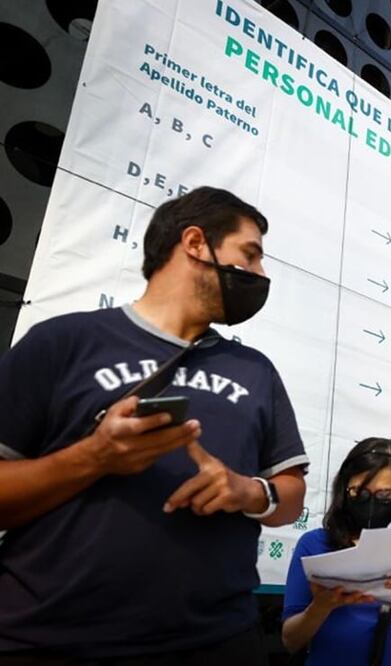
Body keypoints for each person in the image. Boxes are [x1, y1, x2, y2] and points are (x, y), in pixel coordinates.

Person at [0, 187, 308, 661]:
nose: (261, 275)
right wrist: (91, 458)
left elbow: (289, 493)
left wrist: (247, 491)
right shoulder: (63, 342)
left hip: (220, 642)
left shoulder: (256, 371)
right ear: (194, 243)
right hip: (50, 641)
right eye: (250, 255)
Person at [281, 438, 391, 663]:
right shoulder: (314, 544)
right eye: (359, 492)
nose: (371, 502)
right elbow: (290, 640)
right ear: (344, 490)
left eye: (384, 495)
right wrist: (321, 607)